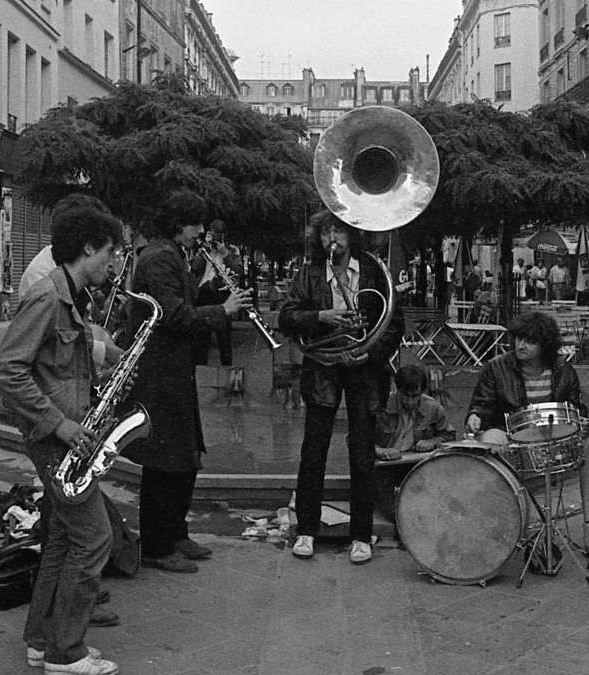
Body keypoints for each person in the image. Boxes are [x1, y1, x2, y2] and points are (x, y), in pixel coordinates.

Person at [0, 203, 125, 675]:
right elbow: (7, 368)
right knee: (95, 538)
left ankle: (41, 639)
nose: (113, 262)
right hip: (55, 440)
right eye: (109, 252)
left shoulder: (71, 295)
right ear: (87, 247)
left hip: (65, 435)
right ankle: (66, 653)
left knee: (64, 539)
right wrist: (62, 425)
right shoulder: (48, 297)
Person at [126, 192, 249, 572]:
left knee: (183, 454)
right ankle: (157, 546)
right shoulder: (159, 257)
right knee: (163, 460)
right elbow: (174, 316)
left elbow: (189, 300)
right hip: (159, 373)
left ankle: (176, 532)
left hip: (174, 370)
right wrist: (222, 311)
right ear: (180, 224)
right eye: (196, 224)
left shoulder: (173, 254)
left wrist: (214, 287)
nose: (201, 231)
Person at [279, 211, 404, 565]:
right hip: (323, 368)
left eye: (338, 231)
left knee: (363, 455)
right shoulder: (309, 272)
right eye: (325, 232)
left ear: (352, 235)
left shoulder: (375, 272)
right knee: (313, 452)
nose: (331, 238)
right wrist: (322, 318)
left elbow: (394, 323)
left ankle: (361, 535)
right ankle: (306, 530)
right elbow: (287, 316)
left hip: (363, 370)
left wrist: (369, 353)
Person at [465, 311, 589, 553]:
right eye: (518, 338)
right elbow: (482, 404)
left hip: (553, 435)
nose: (521, 345)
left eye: (530, 341)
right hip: (508, 432)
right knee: (490, 442)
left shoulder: (563, 369)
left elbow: (575, 408)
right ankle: (503, 529)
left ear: (545, 344)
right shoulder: (496, 368)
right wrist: (475, 416)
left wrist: (581, 425)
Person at [373, 364, 455, 460]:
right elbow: (359, 440)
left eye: (415, 396)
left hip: (416, 462)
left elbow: (450, 436)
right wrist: (377, 450)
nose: (409, 401)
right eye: (405, 395)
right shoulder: (381, 407)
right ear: (397, 389)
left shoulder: (433, 408)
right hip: (383, 463)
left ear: (423, 392)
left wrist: (433, 442)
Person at [190, 221, 235, 368]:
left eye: (218, 236)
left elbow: (238, 270)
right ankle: (201, 370)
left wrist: (225, 254)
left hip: (222, 293)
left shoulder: (231, 250)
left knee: (224, 337)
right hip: (204, 292)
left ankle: (227, 369)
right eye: (213, 234)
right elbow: (195, 267)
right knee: (202, 336)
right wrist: (205, 247)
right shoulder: (204, 250)